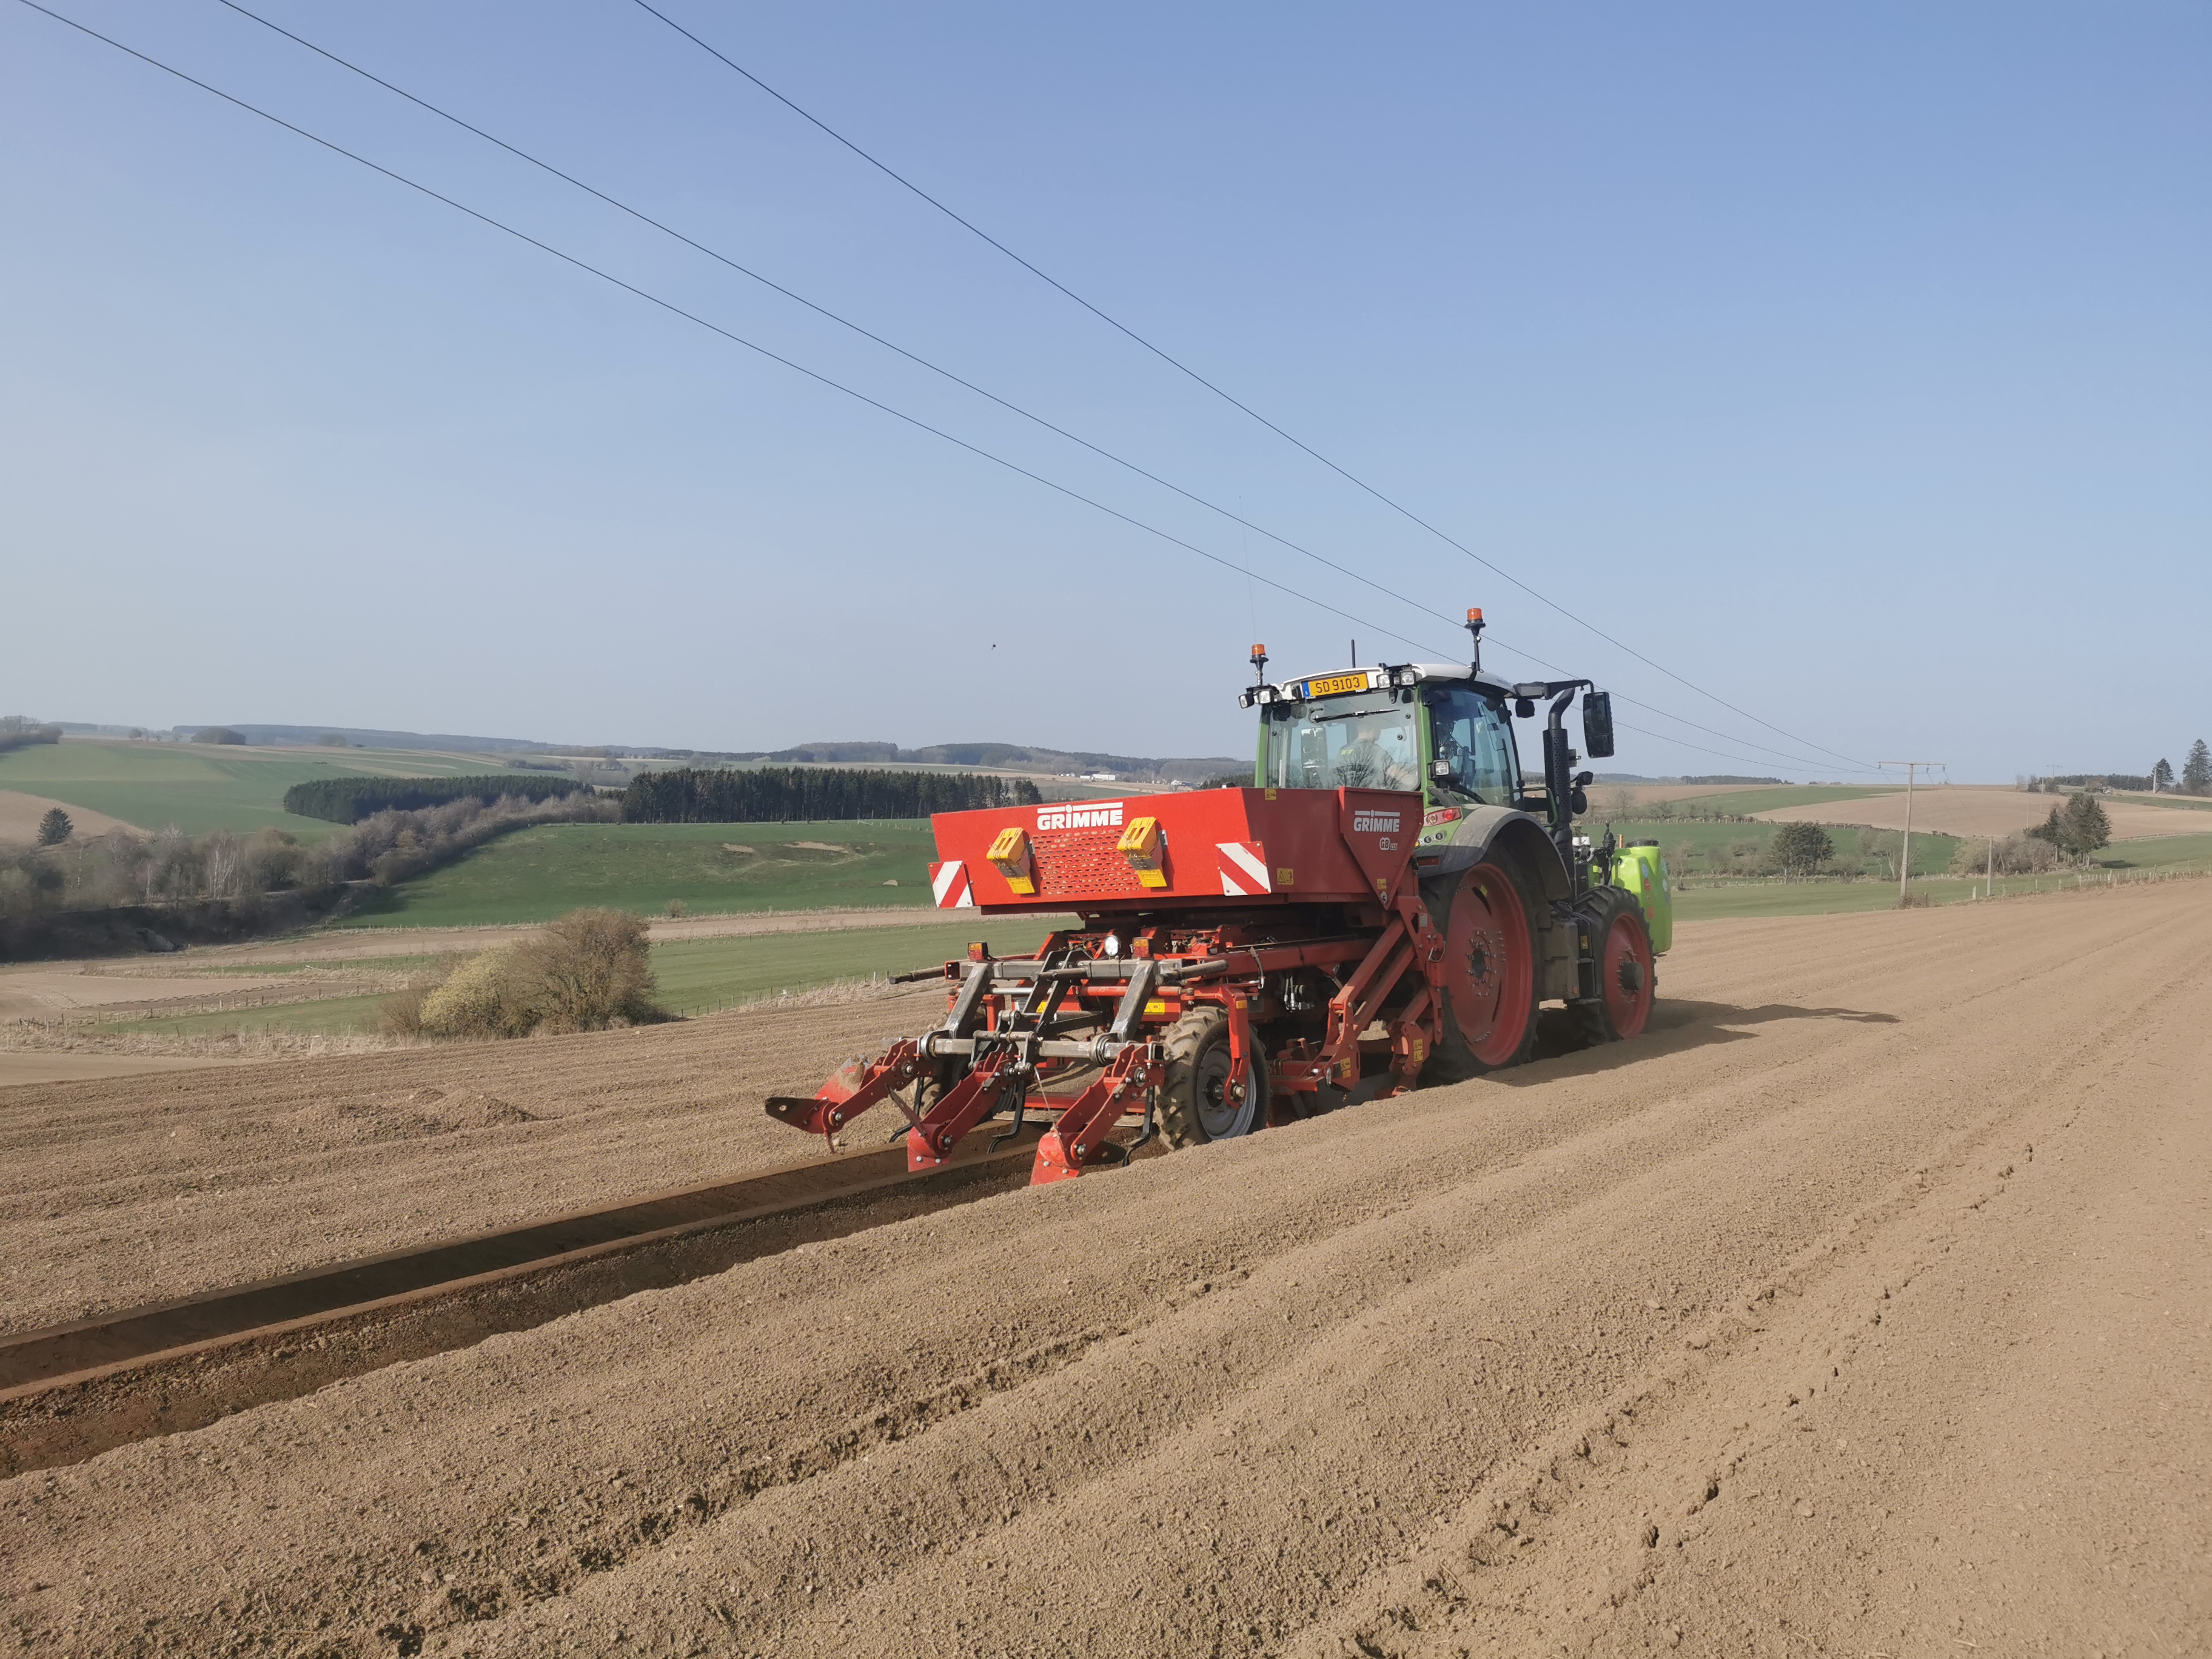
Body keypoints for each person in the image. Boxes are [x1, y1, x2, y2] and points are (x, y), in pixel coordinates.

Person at [1337, 717, 1416, 789]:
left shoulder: (1342, 751)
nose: (1380, 730)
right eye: (1379, 726)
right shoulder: (1375, 751)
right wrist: (1415, 781)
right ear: (1372, 727)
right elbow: (1397, 774)